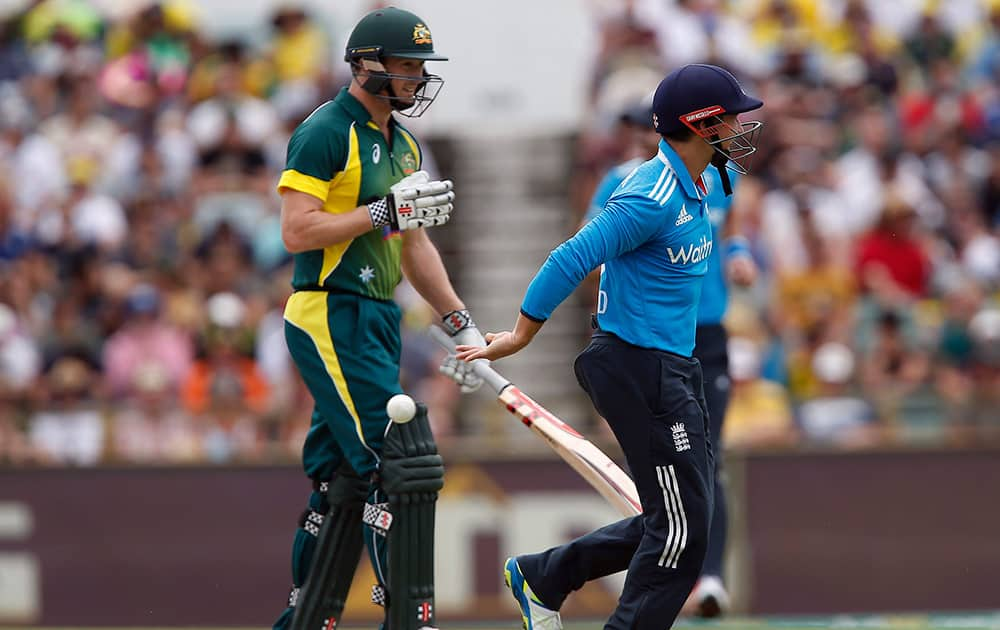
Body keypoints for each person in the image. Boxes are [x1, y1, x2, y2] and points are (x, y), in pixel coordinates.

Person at [457, 64, 763, 630]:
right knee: (680, 532)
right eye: (730, 119)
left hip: (674, 366)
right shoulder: (650, 196)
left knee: (680, 520)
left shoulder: (705, 183)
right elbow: (569, 257)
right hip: (637, 368)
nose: (740, 129)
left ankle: (543, 575)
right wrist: (521, 335)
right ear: (700, 125)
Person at [272, 7, 485, 630]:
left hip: (379, 314)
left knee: (339, 477)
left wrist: (459, 323)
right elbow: (296, 230)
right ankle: (409, 620)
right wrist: (380, 215)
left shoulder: (406, 142)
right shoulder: (325, 131)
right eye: (406, 66)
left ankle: (301, 622)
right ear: (366, 65)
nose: (417, 78)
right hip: (328, 311)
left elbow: (413, 242)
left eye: (422, 67)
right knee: (399, 463)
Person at [581, 90, 758, 621]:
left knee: (710, 464)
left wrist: (742, 257)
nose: (640, 135)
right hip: (652, 342)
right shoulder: (629, 184)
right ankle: (655, 573)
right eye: (634, 126)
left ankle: (707, 577)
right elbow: (590, 252)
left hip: (706, 334)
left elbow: (731, 235)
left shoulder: (720, 173)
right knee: (673, 478)